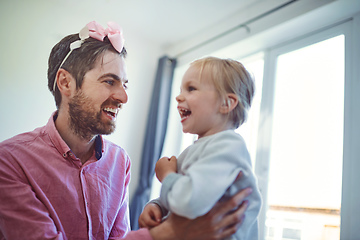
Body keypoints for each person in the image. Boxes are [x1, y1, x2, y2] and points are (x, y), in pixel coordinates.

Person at [0, 21, 252, 240]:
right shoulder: (9, 162)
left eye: (125, 84)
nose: (123, 97)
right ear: (66, 82)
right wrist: (168, 234)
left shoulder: (120, 162)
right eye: (109, 81)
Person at [139, 57, 262, 239]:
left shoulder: (228, 146)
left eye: (191, 89)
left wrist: (166, 175)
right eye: (181, 90)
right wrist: (157, 206)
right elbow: (179, 195)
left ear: (226, 104)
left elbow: (188, 200)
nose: (179, 97)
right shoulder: (192, 151)